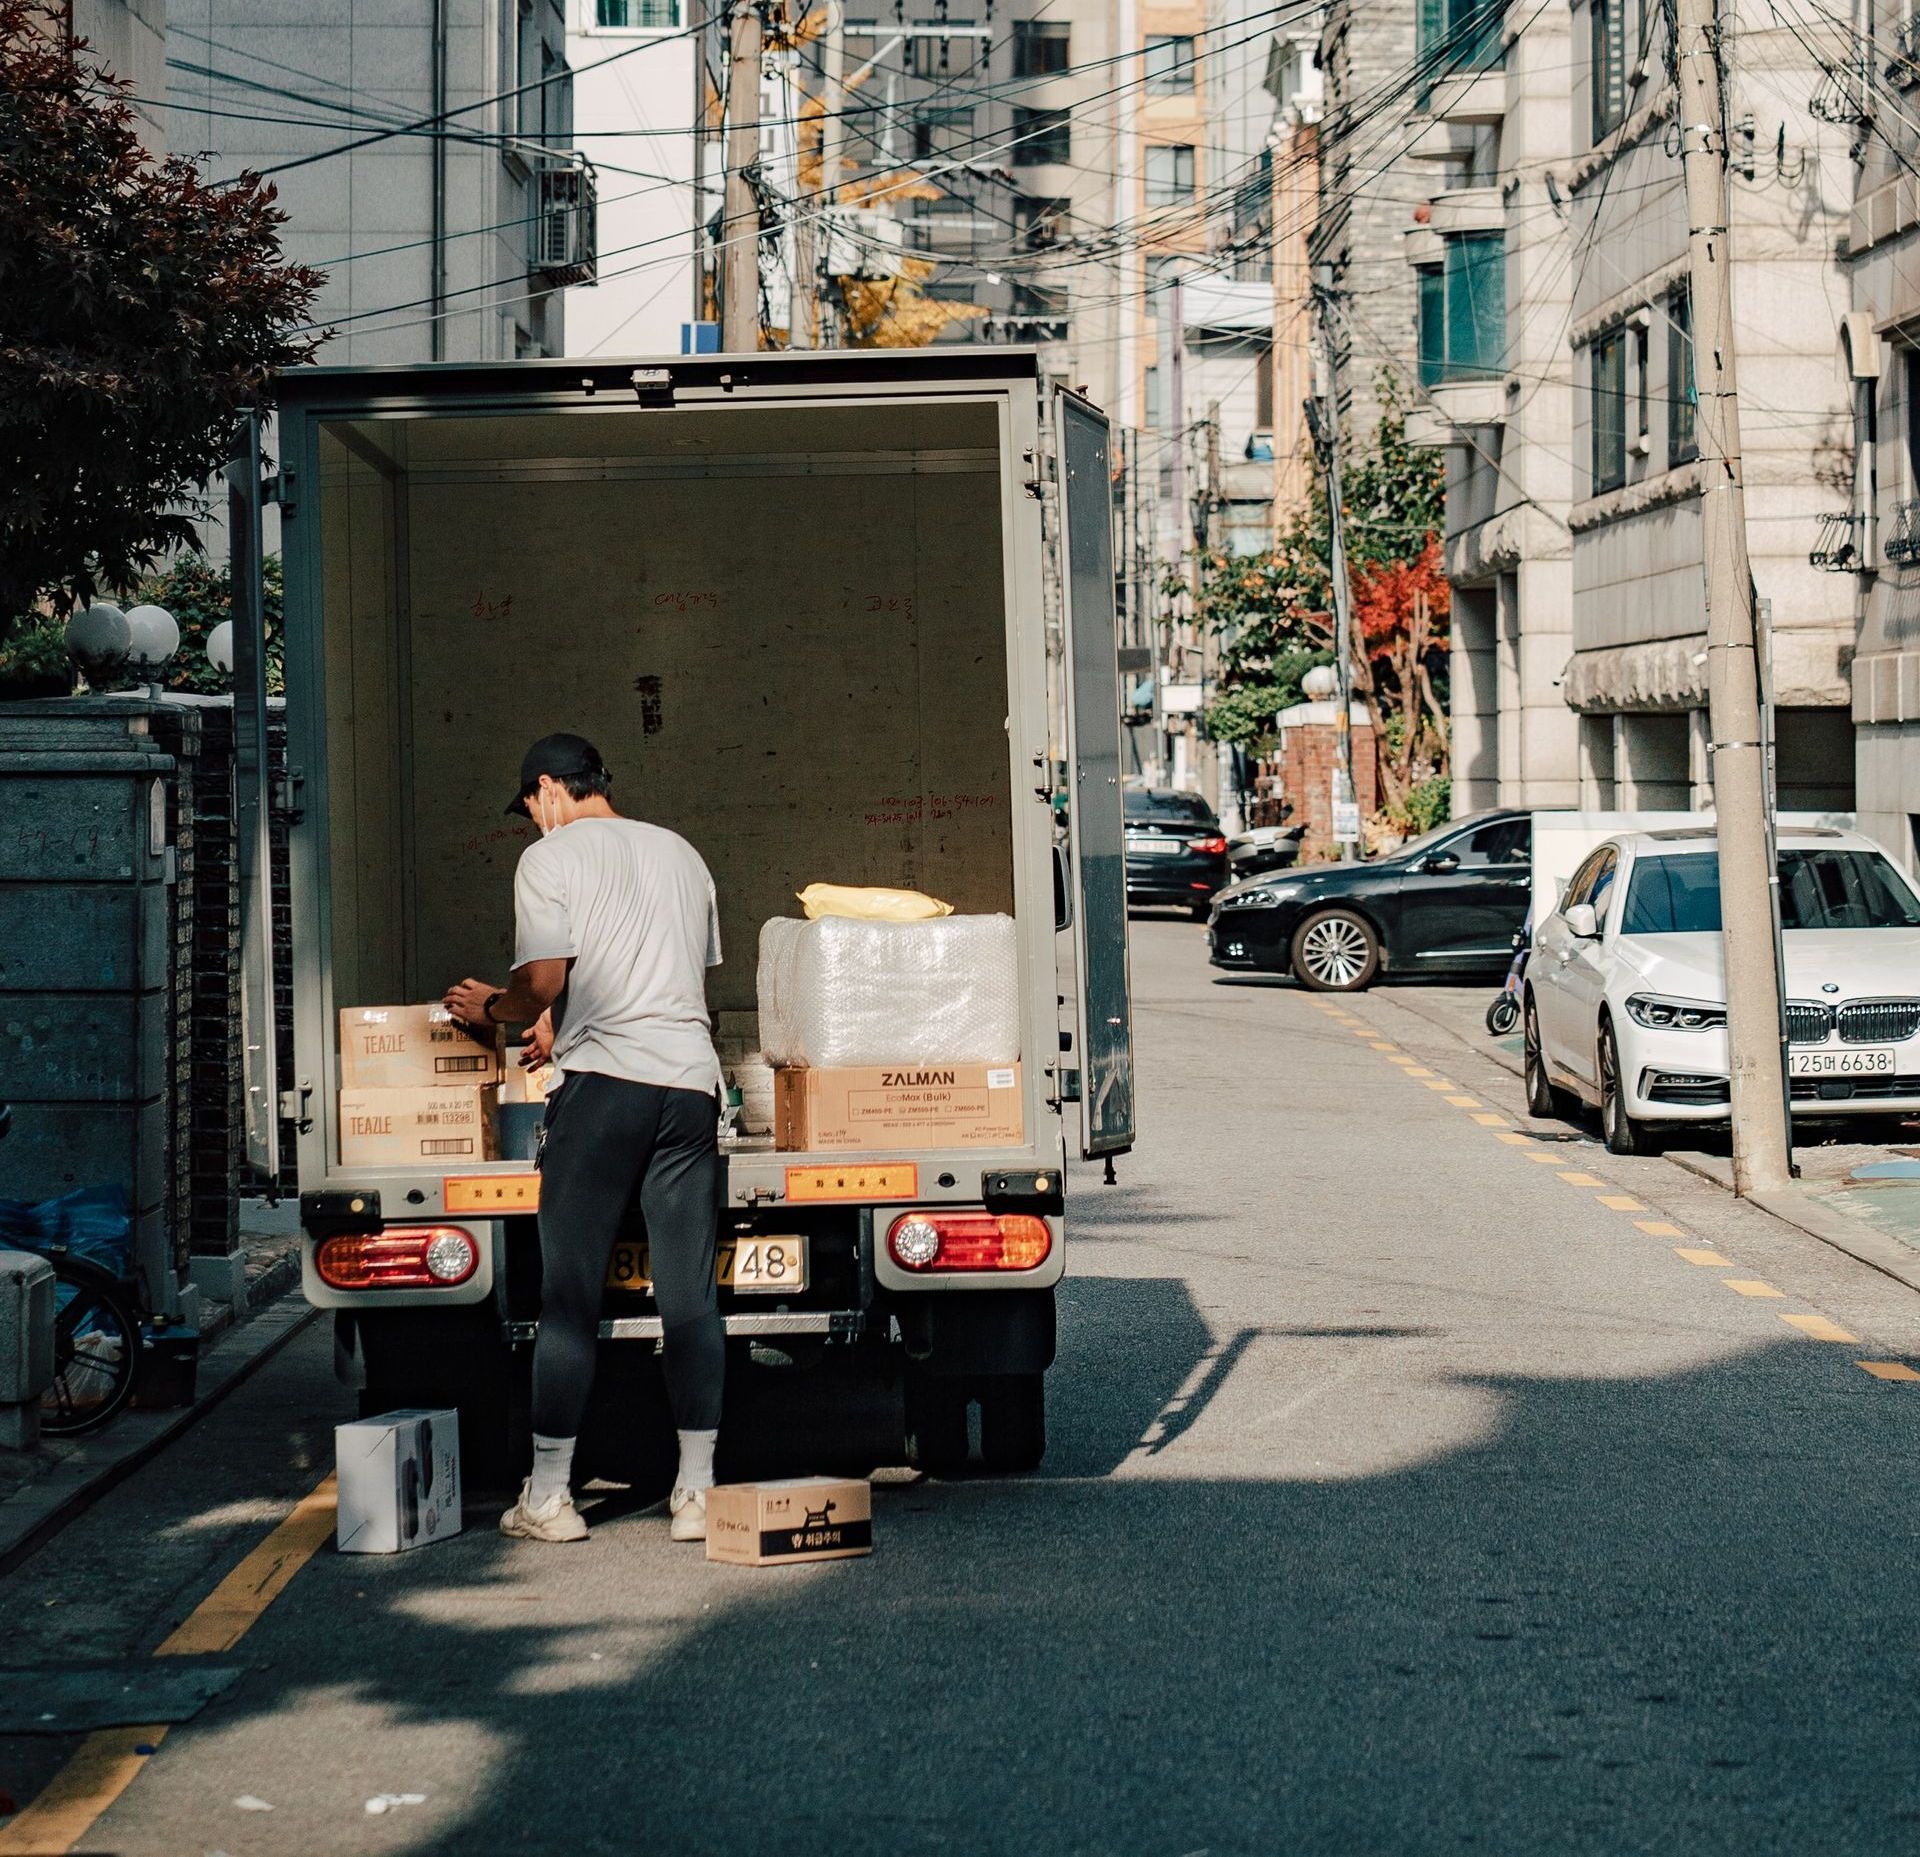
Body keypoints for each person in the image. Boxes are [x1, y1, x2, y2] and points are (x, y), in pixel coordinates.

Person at [444, 732, 726, 1545]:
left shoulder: (552, 857)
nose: (533, 822)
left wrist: (493, 1009)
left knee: (567, 1300)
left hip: (604, 1093)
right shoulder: (681, 853)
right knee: (689, 1299)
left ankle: (550, 1497)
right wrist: (562, 1030)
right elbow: (665, 977)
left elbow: (545, 979)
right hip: (688, 1086)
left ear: (546, 791)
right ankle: (697, 1494)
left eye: (530, 808)